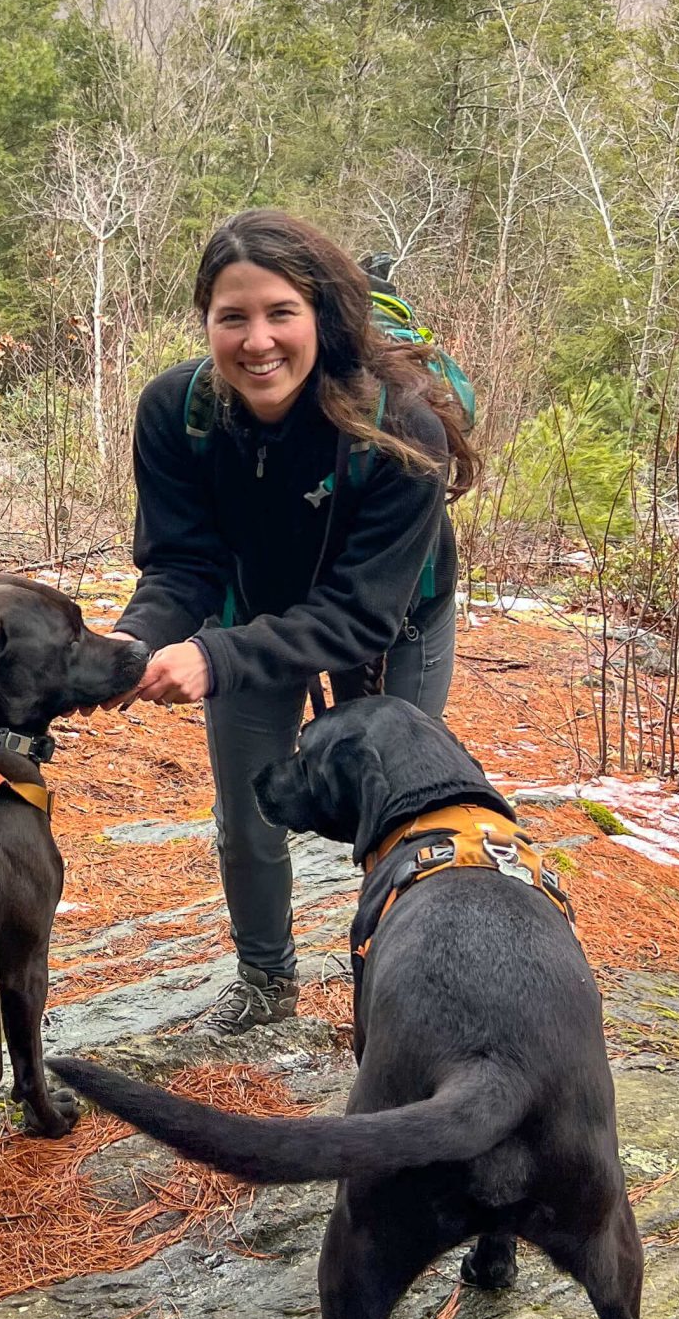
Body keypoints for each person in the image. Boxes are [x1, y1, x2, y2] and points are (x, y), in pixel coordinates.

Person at [114, 210, 477, 1033]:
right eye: (231, 317)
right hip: (249, 613)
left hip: (393, 621)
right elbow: (181, 564)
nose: (257, 340)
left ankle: (394, 987)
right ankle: (266, 985)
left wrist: (212, 658)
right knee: (248, 817)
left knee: (403, 819)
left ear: (321, 316)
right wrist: (135, 641)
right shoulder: (178, 414)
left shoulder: (402, 422)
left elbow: (358, 613)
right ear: (205, 321)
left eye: (281, 313)